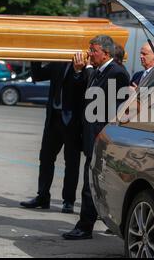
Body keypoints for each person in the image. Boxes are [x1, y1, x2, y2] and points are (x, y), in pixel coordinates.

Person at [63, 35, 130, 240]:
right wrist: (78, 71)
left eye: (93, 50)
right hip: (91, 136)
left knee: (90, 183)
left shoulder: (117, 74)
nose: (89, 53)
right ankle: (101, 223)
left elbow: (112, 110)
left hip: (103, 138)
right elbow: (78, 94)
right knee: (95, 183)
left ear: (106, 53)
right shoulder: (98, 71)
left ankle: (85, 226)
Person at [20, 60, 85, 213]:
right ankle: (42, 196)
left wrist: (78, 70)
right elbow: (38, 75)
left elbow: (83, 87)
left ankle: (68, 201)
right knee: (46, 158)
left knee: (71, 163)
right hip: (53, 119)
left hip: (72, 122)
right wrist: (36, 56)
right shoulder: (58, 62)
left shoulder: (84, 65)